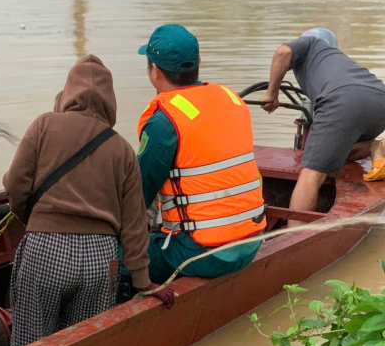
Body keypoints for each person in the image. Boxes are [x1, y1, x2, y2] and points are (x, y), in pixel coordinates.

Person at [3, 54, 174, 346]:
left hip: (45, 250)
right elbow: (134, 223)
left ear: (68, 92)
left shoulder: (44, 125)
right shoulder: (121, 148)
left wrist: (37, 223)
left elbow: (15, 186)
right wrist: (143, 280)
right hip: (99, 258)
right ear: (111, 101)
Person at [137, 24, 266, 284]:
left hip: (202, 252)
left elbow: (138, 195)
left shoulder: (163, 122)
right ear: (199, 62)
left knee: (118, 258)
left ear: (155, 71)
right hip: (251, 242)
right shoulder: (231, 100)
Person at [260, 28, 385, 214]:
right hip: (379, 100)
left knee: (311, 174)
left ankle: (295, 233)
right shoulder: (336, 60)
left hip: (344, 100)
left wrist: (272, 94)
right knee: (337, 151)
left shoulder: (311, 43)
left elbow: (283, 52)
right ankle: (374, 147)